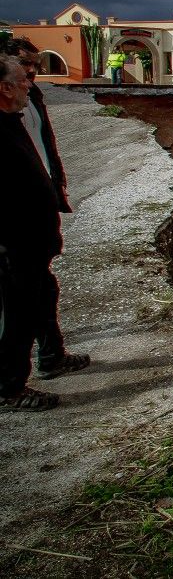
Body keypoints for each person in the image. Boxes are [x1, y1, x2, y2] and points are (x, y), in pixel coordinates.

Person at [4, 38, 90, 381]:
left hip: (36, 217)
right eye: (26, 66)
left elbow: (42, 147)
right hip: (15, 228)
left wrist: (55, 185)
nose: (32, 74)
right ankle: (10, 384)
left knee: (42, 291)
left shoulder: (30, 100)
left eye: (36, 66)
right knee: (18, 306)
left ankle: (52, 354)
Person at [0, 55, 64, 410]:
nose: (30, 84)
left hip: (33, 242)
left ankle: (52, 357)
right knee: (16, 316)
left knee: (41, 299)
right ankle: (9, 388)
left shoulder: (13, 121)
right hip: (15, 245)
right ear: (5, 88)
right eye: (23, 79)